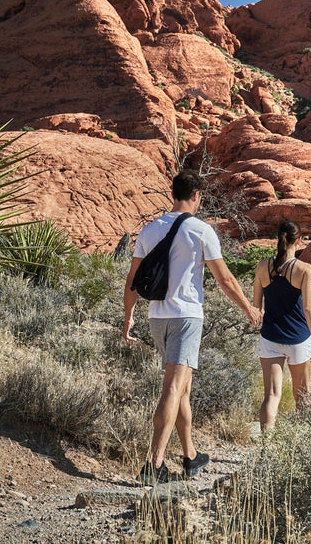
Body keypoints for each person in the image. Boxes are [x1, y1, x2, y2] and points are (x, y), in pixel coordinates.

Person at [122, 170, 261, 485]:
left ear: (174, 194)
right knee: (173, 387)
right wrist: (248, 308)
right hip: (186, 318)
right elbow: (224, 280)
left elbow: (132, 280)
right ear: (196, 196)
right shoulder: (201, 230)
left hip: (157, 317)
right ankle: (154, 465)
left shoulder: (149, 229)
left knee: (182, 388)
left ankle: (190, 456)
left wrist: (128, 316)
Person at [252, 220, 311, 431]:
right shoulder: (304, 269)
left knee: (271, 395)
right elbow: (309, 308)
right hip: (298, 339)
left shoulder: (263, 266)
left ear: (278, 239)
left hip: (270, 338)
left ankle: (267, 447)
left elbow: (257, 306)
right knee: (302, 396)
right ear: (299, 240)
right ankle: (299, 446)